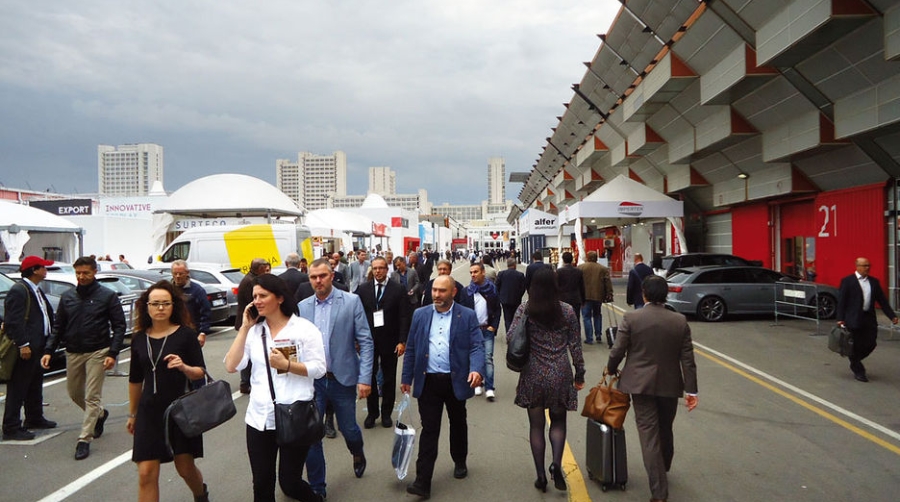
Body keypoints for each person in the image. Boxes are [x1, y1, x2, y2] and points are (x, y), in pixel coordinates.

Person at [224, 273, 326, 502]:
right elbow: (232, 365)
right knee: (261, 484)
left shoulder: (303, 329)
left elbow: (319, 368)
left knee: (289, 483)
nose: (257, 301)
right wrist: (243, 328)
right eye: (254, 297)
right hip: (259, 418)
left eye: (263, 295)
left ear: (279, 298)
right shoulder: (254, 331)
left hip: (294, 414)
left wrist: (287, 365)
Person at [606, 275, 699, 502]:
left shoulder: (632, 318)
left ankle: (659, 492)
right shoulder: (679, 321)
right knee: (665, 428)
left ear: (644, 294)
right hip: (670, 384)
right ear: (665, 294)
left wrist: (611, 368)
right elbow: (687, 359)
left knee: (649, 435)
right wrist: (692, 391)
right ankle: (663, 467)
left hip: (639, 385)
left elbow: (618, 350)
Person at [400, 275, 485, 499]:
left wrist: (476, 369)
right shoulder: (420, 314)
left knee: (458, 422)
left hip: (455, 380)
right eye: (434, 290)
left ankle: (459, 460)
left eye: (442, 291)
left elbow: (477, 346)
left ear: (453, 292)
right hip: (428, 381)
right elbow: (411, 348)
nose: (436, 295)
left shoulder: (466, 316)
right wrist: (406, 377)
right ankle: (422, 482)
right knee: (429, 430)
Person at [298, 258, 374, 499]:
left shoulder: (351, 302)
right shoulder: (302, 307)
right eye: (313, 277)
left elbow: (366, 341)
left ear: (332, 275)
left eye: (322, 276)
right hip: (313, 381)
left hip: (343, 378)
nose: (318, 281)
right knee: (312, 434)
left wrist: (365, 379)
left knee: (348, 428)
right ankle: (318, 487)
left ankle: (357, 451)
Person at [127, 280, 209, 502]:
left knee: (185, 468)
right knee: (146, 474)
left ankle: (201, 494)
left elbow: (200, 372)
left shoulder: (186, 335)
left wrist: (183, 367)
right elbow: (135, 380)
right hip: (148, 412)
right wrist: (133, 414)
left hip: (180, 411)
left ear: (174, 306)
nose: (160, 308)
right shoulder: (139, 338)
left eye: (165, 303)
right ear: (147, 307)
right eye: (155, 304)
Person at [507, 266, 585, 492]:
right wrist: (579, 374)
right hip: (560, 372)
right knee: (558, 422)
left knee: (536, 426)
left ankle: (540, 475)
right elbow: (576, 347)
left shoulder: (526, 309)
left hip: (533, 372)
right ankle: (556, 464)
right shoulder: (568, 311)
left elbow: (512, 336)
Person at [43, 255, 127, 460]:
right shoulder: (68, 297)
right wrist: (48, 351)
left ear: (94, 272)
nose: (82, 277)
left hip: (98, 351)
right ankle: (100, 414)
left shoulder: (107, 296)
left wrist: (112, 353)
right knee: (73, 392)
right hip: (73, 351)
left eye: (86, 273)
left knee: (92, 396)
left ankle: (84, 439)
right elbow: (58, 327)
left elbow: (119, 326)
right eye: (78, 273)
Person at [3, 256, 56, 441]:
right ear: (34, 270)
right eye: (43, 267)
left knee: (34, 384)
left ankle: (34, 417)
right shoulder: (19, 290)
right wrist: (23, 344)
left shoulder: (35, 289)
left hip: (39, 345)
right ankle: (11, 426)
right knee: (18, 387)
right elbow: (13, 321)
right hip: (26, 347)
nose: (46, 270)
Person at [356, 256, 410, 428]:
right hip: (368, 341)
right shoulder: (362, 289)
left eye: (381, 268)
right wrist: (356, 339)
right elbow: (356, 316)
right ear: (372, 270)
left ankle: (386, 414)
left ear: (387, 269)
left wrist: (402, 341)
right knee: (369, 376)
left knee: (388, 377)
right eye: (375, 268)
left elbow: (404, 316)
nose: (378, 271)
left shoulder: (398, 289)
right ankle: (372, 413)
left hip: (390, 340)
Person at [836, 257, 899, 382]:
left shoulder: (874, 282)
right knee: (855, 344)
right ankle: (859, 370)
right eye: (864, 266)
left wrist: (892, 316)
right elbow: (842, 301)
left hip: (868, 318)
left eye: (868, 265)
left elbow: (882, 301)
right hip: (853, 318)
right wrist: (840, 318)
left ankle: (855, 360)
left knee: (871, 343)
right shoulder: (847, 281)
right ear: (857, 266)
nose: (867, 268)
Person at [235, 258, 271, 394]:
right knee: (247, 352)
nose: (266, 270)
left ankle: (246, 381)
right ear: (259, 268)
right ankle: (245, 382)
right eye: (265, 268)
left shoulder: (251, 279)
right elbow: (254, 304)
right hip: (249, 321)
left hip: (249, 320)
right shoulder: (251, 282)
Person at [466, 263, 500, 401]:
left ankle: (490, 388)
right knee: (474, 358)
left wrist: (494, 326)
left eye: (476, 272)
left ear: (483, 272)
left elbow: (498, 309)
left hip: (487, 329)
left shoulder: (492, 290)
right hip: (472, 331)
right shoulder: (467, 291)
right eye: (471, 272)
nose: (473, 274)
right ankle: (477, 382)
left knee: (487, 358)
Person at [170, 260, 212, 347]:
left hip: (191, 333)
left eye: (180, 273)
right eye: (175, 273)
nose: (177, 276)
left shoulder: (197, 290)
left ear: (187, 273)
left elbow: (206, 312)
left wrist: (203, 332)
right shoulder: (168, 290)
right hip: (171, 332)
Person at [579, 250, 614, 345]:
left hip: (585, 297)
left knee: (586, 317)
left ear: (587, 257)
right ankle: (598, 335)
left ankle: (589, 338)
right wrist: (609, 293)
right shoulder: (603, 268)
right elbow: (607, 282)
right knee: (597, 315)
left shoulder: (581, 268)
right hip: (598, 296)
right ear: (596, 258)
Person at [495, 257, 526, 334]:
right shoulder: (520, 275)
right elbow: (523, 287)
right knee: (516, 318)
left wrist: (500, 296)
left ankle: (509, 334)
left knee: (507, 319)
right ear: (515, 265)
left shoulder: (501, 274)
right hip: (516, 299)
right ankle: (515, 334)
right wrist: (519, 295)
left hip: (505, 300)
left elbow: (496, 286)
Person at [555, 251, 585, 327]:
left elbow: (556, 286)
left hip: (563, 298)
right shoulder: (578, 271)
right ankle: (576, 335)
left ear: (563, 260)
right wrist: (583, 300)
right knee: (576, 318)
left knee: (563, 318)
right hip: (575, 298)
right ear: (572, 260)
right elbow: (582, 286)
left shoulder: (559, 272)